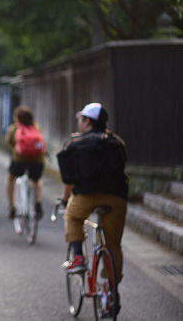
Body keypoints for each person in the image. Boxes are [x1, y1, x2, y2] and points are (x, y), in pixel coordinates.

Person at [57, 103, 128, 284]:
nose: (79, 122)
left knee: (72, 217)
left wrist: (65, 200)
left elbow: (68, 180)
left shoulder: (75, 143)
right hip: (116, 196)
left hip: (85, 195)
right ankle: (111, 292)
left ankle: (78, 258)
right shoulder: (116, 142)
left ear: (87, 121)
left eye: (80, 119)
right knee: (113, 244)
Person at [5, 106, 45, 223]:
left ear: (17, 118)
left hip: (19, 161)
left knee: (10, 178)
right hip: (37, 161)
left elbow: (10, 144)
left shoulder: (13, 129)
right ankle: (38, 201)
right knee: (36, 180)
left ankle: (11, 205)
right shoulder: (36, 127)